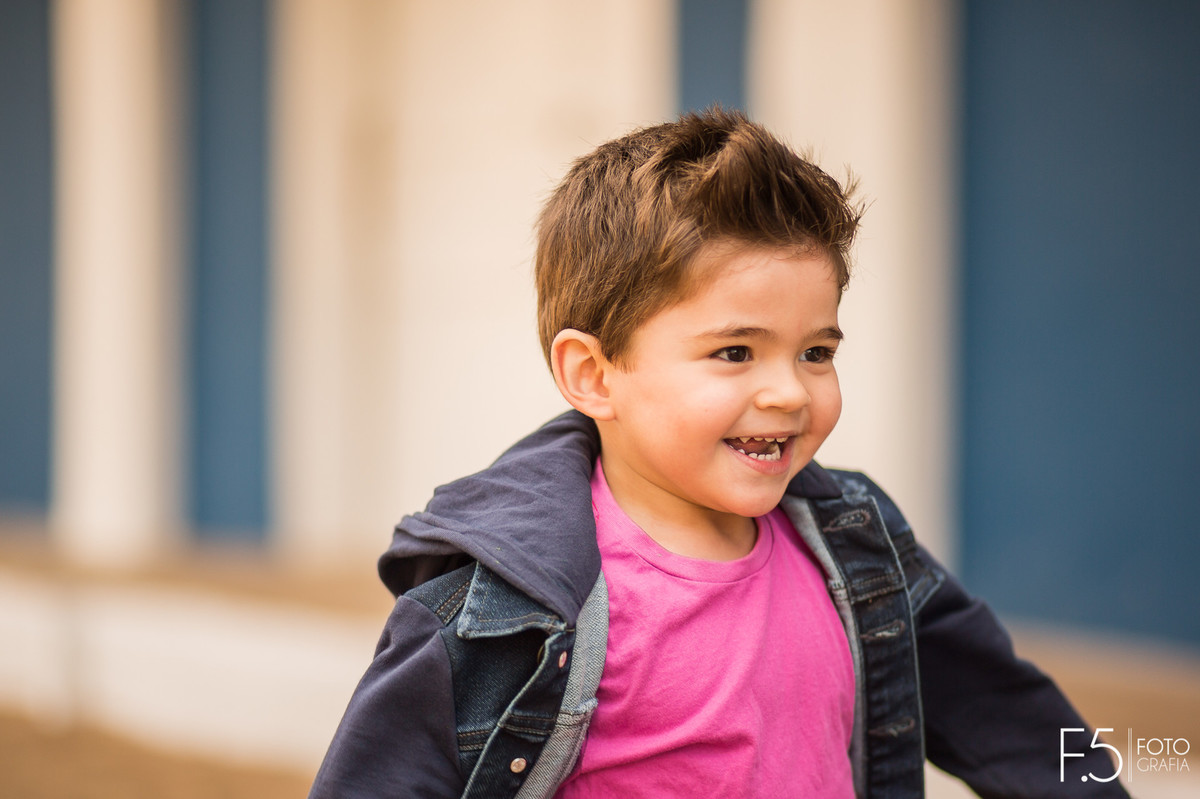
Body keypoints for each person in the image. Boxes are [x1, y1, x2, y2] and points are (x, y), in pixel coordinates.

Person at [309, 109, 1129, 798]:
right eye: (736, 352)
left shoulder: (856, 545)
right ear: (593, 374)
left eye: (816, 352)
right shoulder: (496, 610)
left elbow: (1009, 718)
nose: (789, 393)